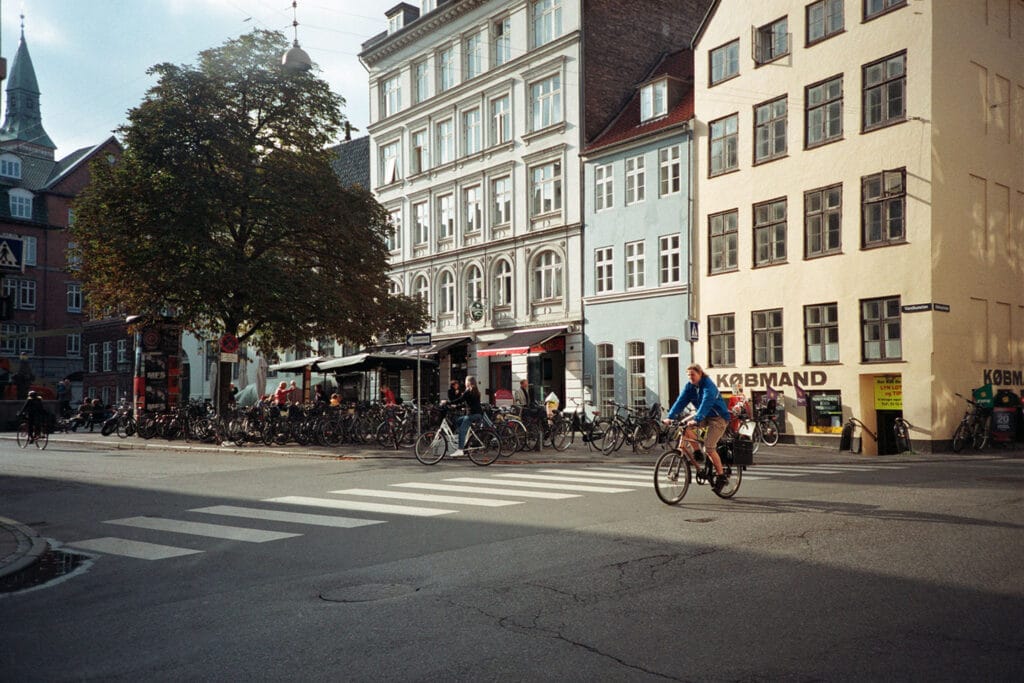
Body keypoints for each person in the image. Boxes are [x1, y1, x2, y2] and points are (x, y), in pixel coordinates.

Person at [666, 363, 732, 492]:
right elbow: (681, 401)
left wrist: (696, 419)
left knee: (709, 447)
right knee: (684, 428)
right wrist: (670, 417)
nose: (691, 377)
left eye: (693, 374)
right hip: (703, 416)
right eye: (689, 375)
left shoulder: (708, 385)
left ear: (700, 373)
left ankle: (721, 476)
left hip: (718, 418)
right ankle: (697, 452)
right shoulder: (690, 387)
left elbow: (706, 402)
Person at [446, 375, 484, 457]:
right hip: (478, 414)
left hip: (472, 415)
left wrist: (447, 403)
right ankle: (465, 442)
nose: (465, 383)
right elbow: (467, 402)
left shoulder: (468, 391)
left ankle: (460, 449)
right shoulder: (476, 391)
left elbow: (460, 400)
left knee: (462, 431)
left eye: (466, 381)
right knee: (458, 420)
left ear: (468, 382)